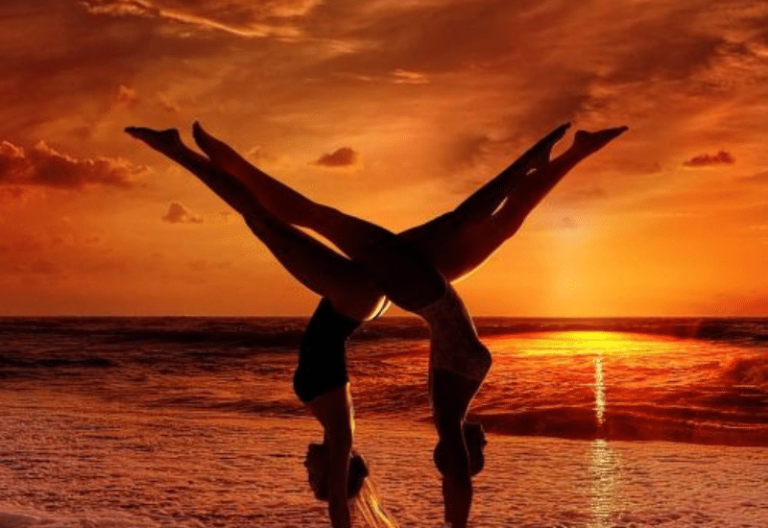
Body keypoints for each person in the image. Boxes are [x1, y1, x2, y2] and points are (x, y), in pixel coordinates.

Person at [126, 122, 626, 528]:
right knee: (326, 217)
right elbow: (450, 482)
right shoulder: (434, 416)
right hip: (402, 296)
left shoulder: (455, 391)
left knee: (488, 223)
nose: (306, 471)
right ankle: (540, 157)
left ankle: (556, 156)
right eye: (464, 455)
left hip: (408, 301)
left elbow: (452, 471)